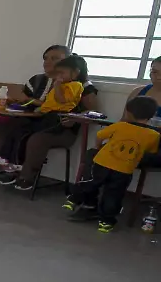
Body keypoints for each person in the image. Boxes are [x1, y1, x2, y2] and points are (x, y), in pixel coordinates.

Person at [0, 45, 101, 184]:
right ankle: (8, 168)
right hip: (35, 120)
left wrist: (75, 119)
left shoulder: (81, 85)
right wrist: (12, 102)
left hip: (61, 128)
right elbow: (25, 102)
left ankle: (25, 177)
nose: (47, 62)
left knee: (35, 138)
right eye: (45, 58)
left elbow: (94, 112)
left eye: (54, 58)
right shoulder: (37, 80)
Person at [65, 97, 160, 232]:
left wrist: (98, 148)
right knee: (114, 194)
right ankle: (106, 222)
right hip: (124, 170)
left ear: (128, 112)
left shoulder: (119, 125)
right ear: (152, 116)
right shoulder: (154, 135)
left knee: (93, 182)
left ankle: (74, 197)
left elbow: (100, 135)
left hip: (102, 163)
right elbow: (150, 152)